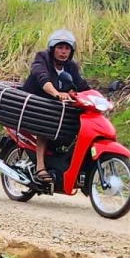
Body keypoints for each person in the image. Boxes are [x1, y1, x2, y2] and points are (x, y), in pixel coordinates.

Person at [20, 29, 83, 184]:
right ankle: (40, 167)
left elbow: (82, 85)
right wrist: (57, 93)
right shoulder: (42, 58)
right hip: (35, 103)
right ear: (52, 48)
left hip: (56, 105)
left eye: (67, 48)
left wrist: (101, 97)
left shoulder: (70, 66)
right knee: (46, 126)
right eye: (60, 47)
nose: (63, 52)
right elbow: (43, 78)